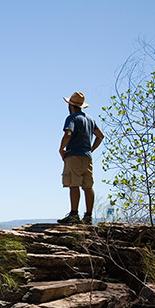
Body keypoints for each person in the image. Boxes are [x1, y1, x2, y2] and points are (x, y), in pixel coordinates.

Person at [57, 91, 105, 225]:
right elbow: (100, 136)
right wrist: (91, 149)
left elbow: (68, 133)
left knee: (74, 184)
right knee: (88, 186)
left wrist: (61, 149)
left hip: (74, 155)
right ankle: (88, 216)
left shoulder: (72, 118)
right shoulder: (90, 119)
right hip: (87, 157)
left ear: (71, 105)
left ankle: (74, 215)